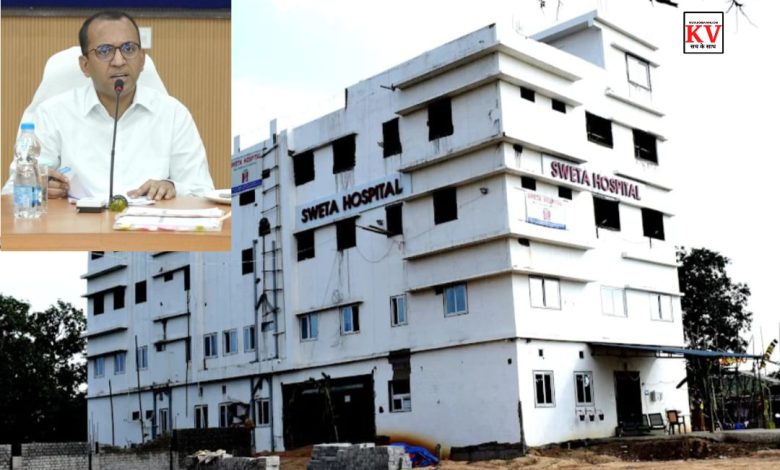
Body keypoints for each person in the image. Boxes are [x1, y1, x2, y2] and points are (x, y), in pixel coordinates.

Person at [3, 10, 214, 200]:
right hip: (75, 229)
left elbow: (202, 192)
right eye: (105, 51)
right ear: (85, 65)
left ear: (142, 60)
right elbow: (13, 191)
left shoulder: (173, 114)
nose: (119, 61)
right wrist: (39, 186)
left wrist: (172, 187)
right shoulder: (52, 114)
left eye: (129, 49)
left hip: (151, 230)